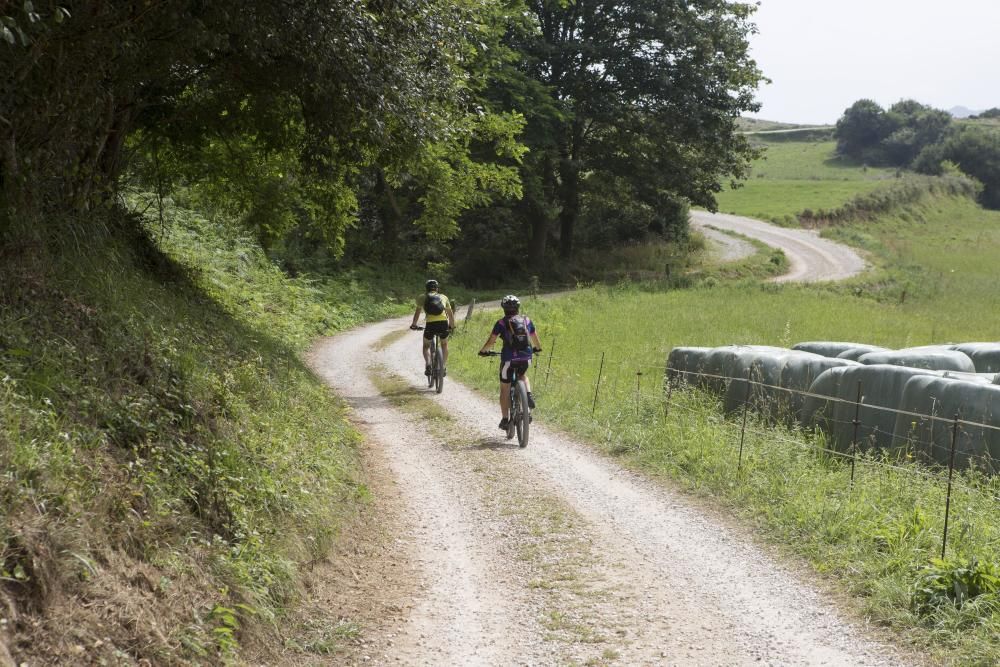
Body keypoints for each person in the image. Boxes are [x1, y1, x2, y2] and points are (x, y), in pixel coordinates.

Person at [478, 295, 542, 430]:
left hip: (509, 359)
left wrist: (483, 351)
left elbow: (491, 341)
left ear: (504, 308)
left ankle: (505, 419)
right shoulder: (526, 320)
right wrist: (537, 348)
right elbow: (534, 337)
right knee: (523, 376)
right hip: (526, 357)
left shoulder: (501, 323)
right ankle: (528, 398)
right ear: (518, 308)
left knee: (504, 388)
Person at [410, 279, 456, 376]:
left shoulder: (422, 297)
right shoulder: (443, 297)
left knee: (426, 346)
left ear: (426, 288)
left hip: (430, 324)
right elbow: (450, 314)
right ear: (437, 288)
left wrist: (414, 324)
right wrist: (452, 325)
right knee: (444, 345)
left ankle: (428, 364)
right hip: (443, 323)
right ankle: (442, 367)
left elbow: (417, 312)